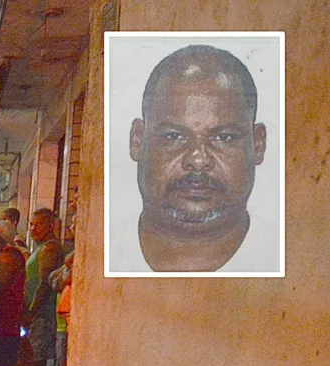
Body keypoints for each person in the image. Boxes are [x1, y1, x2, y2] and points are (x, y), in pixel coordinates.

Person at [108, 43, 272, 273]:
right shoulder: (98, 255)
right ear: (137, 140)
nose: (198, 159)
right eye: (174, 136)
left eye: (223, 137)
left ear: (258, 144)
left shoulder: (296, 260)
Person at [16, 208, 64, 366]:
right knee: (34, 365)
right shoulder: (40, 249)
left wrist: (31, 311)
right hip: (35, 316)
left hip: (43, 317)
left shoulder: (51, 248)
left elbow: (44, 284)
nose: (33, 229)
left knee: (38, 365)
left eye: (37, 224)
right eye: (31, 224)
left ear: (50, 226)